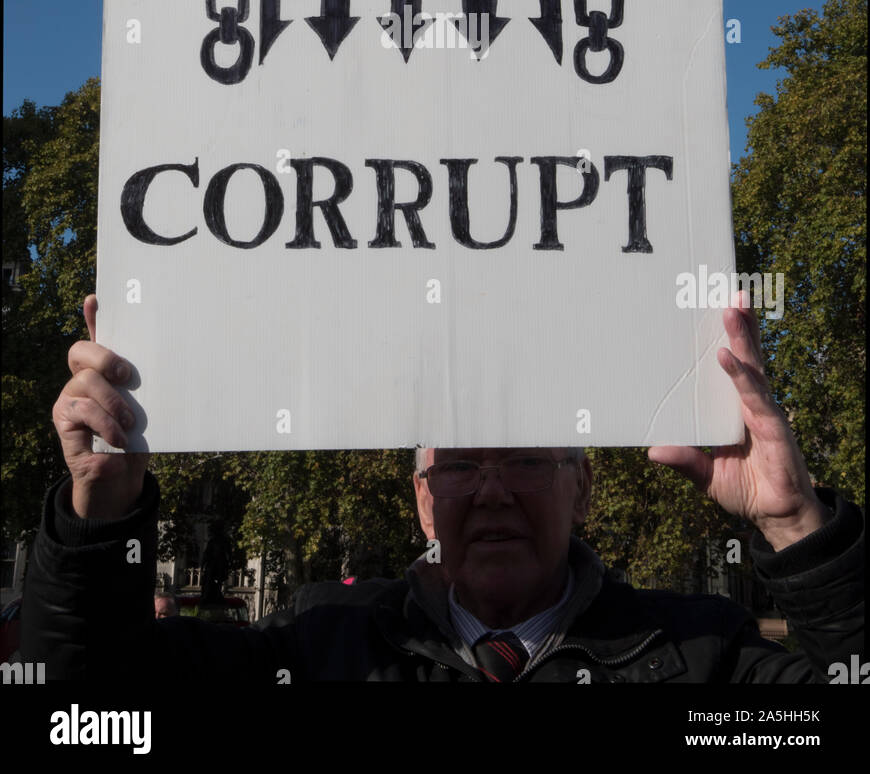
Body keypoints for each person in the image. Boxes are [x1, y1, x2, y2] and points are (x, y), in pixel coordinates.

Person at [20, 293, 863, 682]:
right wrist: (103, 512)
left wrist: (797, 525)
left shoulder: (703, 657)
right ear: (422, 497)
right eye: (458, 466)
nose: (492, 491)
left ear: (584, 487)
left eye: (528, 460)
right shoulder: (317, 650)